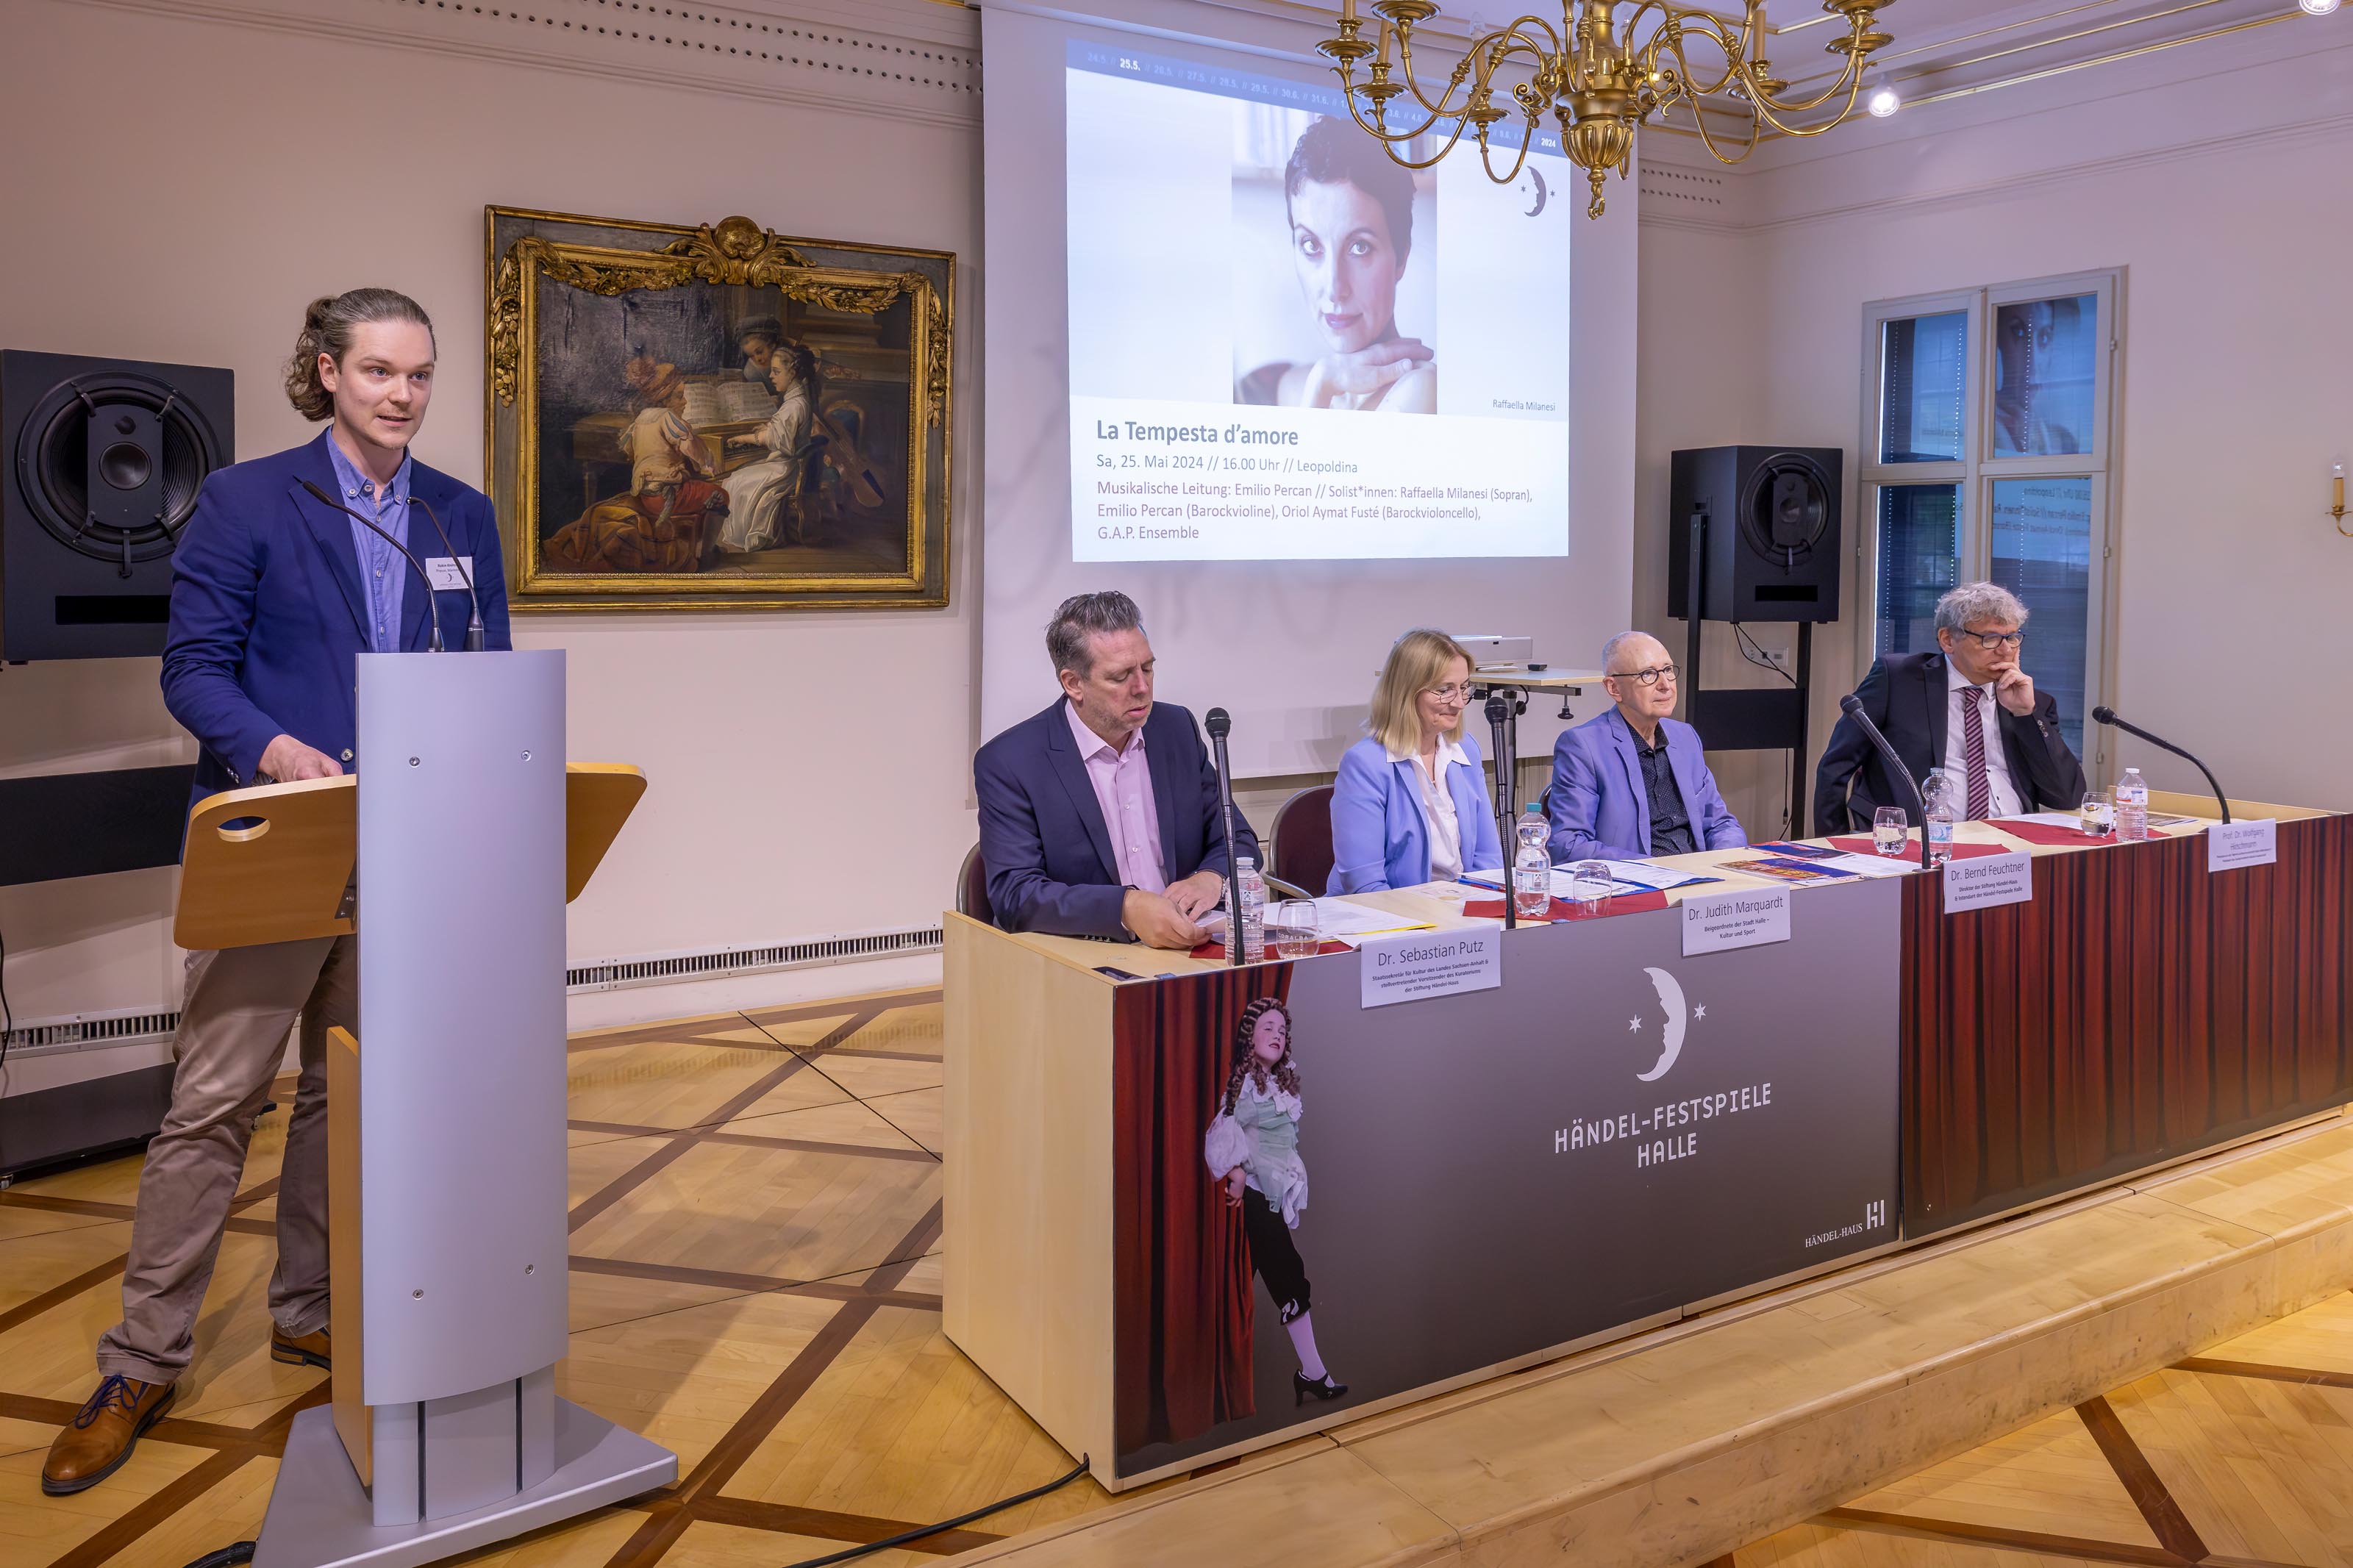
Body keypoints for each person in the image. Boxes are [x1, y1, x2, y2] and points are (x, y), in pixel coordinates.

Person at [41, 289, 511, 1497]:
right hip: (284, 835)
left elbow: (488, 672)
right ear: (325, 372)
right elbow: (192, 669)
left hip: (408, 849)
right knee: (213, 1105)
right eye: (378, 372)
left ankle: (309, 1308)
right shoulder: (249, 498)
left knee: (337, 1102)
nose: (402, 395)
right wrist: (271, 748)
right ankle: (141, 1360)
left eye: (420, 374)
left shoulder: (462, 513)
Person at [974, 592, 1255, 948]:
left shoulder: (1176, 729)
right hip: (1085, 958)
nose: (1142, 688)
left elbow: (1238, 839)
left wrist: (1212, 877)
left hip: (1191, 949)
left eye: (1148, 668)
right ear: (1073, 683)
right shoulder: (1011, 761)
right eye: (1121, 676)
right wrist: (1125, 908)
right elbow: (1016, 895)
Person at [1814, 581, 2086, 835]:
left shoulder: (2034, 702)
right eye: (1990, 639)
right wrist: (1835, 845)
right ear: (1947, 640)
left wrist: (2027, 714)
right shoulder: (1898, 680)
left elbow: (2067, 796)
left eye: (2012, 637)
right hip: (1915, 842)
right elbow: (1836, 766)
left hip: (2010, 844)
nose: (2006, 651)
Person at [1235, 116, 1435, 415]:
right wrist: (1321, 385)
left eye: (1359, 247)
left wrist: (1319, 391)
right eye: (1311, 246)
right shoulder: (1281, 385)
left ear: (1402, 256)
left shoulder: (1419, 390)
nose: (1334, 288)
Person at [1203, 998, 1346, 1406]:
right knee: (1289, 1279)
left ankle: (1309, 1374)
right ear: (1251, 1036)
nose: (1277, 1035)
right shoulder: (1247, 1084)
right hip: (1256, 1197)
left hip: (1269, 1196)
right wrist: (1237, 1174)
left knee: (1245, 1282)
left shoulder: (1278, 1084)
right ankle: (1313, 1374)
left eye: (1282, 1030)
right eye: (1268, 1027)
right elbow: (1220, 1134)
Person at [1328, 629, 1503, 892]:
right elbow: (1365, 884)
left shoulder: (1466, 749)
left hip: (1458, 911)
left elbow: (1488, 859)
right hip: (1389, 918)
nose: (1459, 703)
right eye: (1445, 690)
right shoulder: (1365, 764)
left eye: (1464, 688)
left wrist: (1479, 911)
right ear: (1406, 693)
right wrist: (1424, 929)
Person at [1547, 631, 1746, 862]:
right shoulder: (1582, 746)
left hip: (1699, 879)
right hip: (1635, 883)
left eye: (1668, 670)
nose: (1665, 685)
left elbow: (1721, 824)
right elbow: (1568, 844)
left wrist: (1720, 863)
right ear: (1614, 688)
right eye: (1648, 674)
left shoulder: (1685, 737)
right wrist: (1650, 869)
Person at [545, 355, 726, 572]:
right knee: (721, 494)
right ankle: (706, 555)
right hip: (667, 496)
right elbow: (690, 448)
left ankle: (690, 544)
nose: (685, 402)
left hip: (646, 494)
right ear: (665, 399)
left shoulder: (640, 419)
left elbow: (629, 451)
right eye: (679, 397)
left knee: (700, 490)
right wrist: (708, 463)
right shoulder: (669, 418)